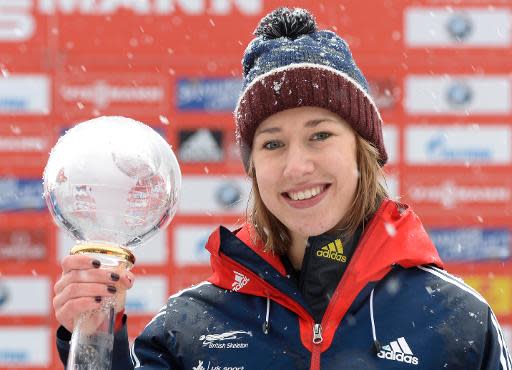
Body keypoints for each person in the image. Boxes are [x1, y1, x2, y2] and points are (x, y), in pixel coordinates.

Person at [54, 7, 511, 370]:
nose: (297, 166)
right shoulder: (190, 331)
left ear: (363, 151)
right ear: (253, 168)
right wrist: (94, 337)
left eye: (320, 135)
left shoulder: (455, 323)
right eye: (272, 143)